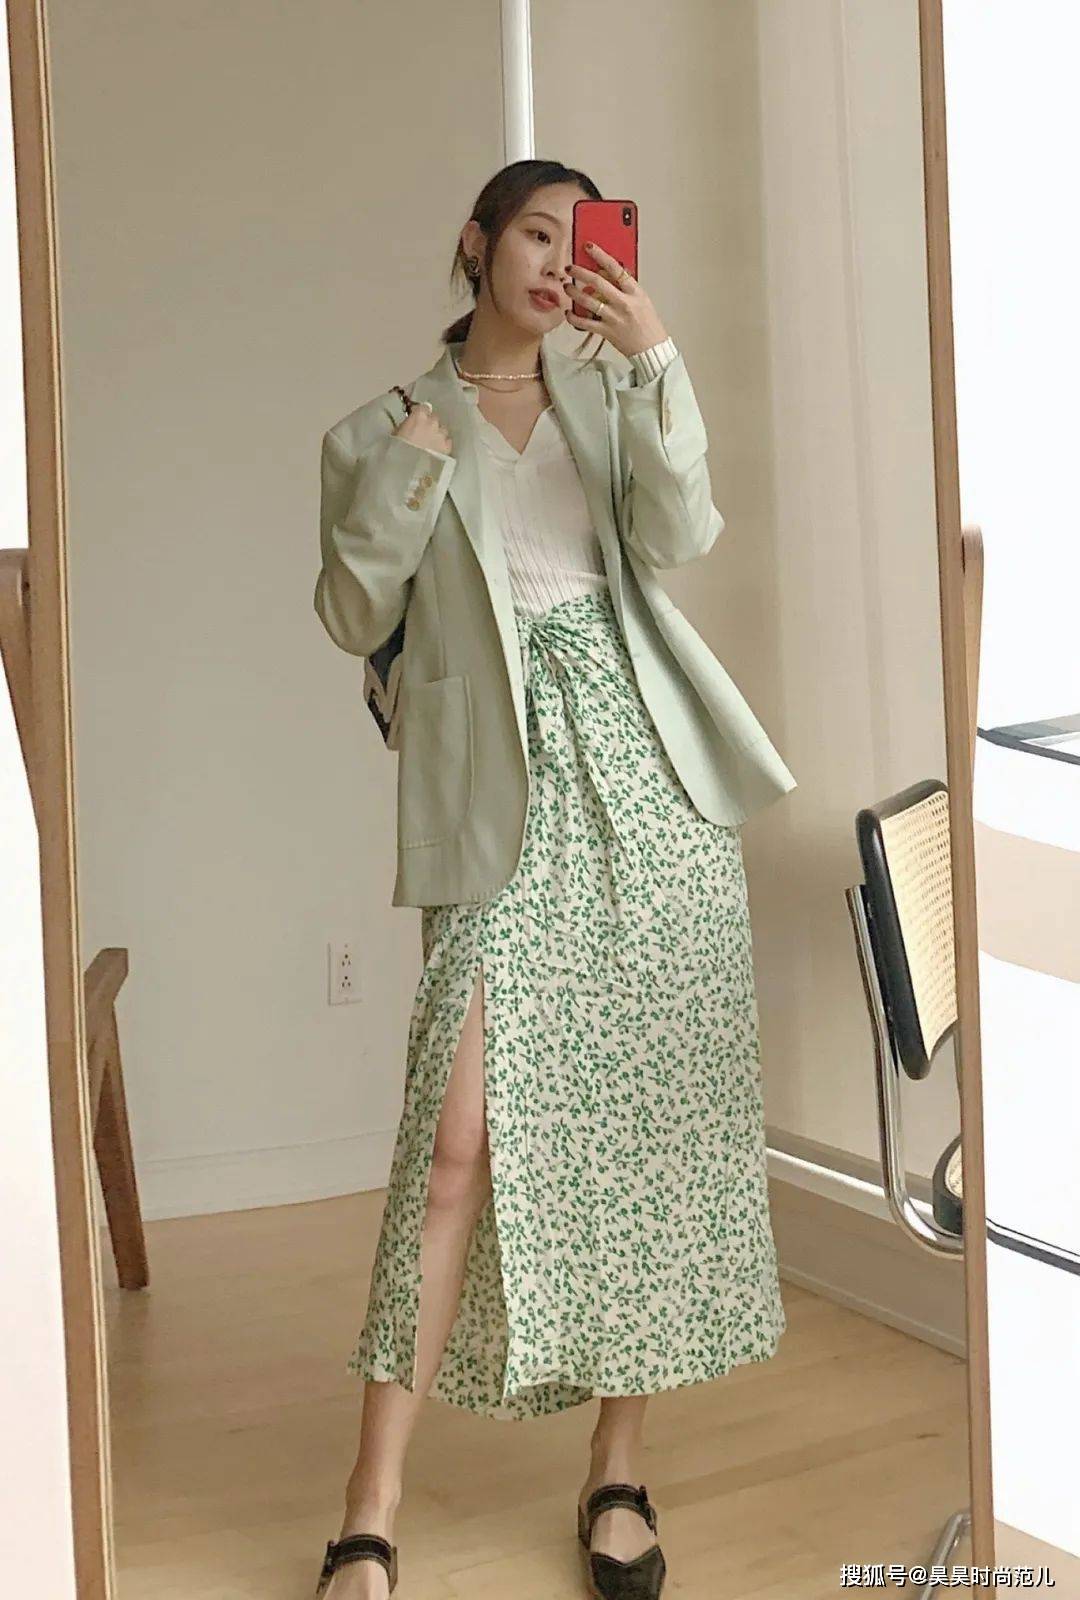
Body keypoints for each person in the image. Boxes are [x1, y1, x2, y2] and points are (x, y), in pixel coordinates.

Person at [312, 158, 794, 1600]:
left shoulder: (609, 398)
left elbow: (681, 538)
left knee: (641, 1121)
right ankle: (369, 1507)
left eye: (576, 237)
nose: (553, 259)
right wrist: (417, 463)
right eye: (533, 230)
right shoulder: (380, 431)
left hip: (646, 780)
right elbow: (351, 608)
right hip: (495, 800)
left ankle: (618, 1470)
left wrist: (657, 364)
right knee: (454, 1146)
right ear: (475, 244)